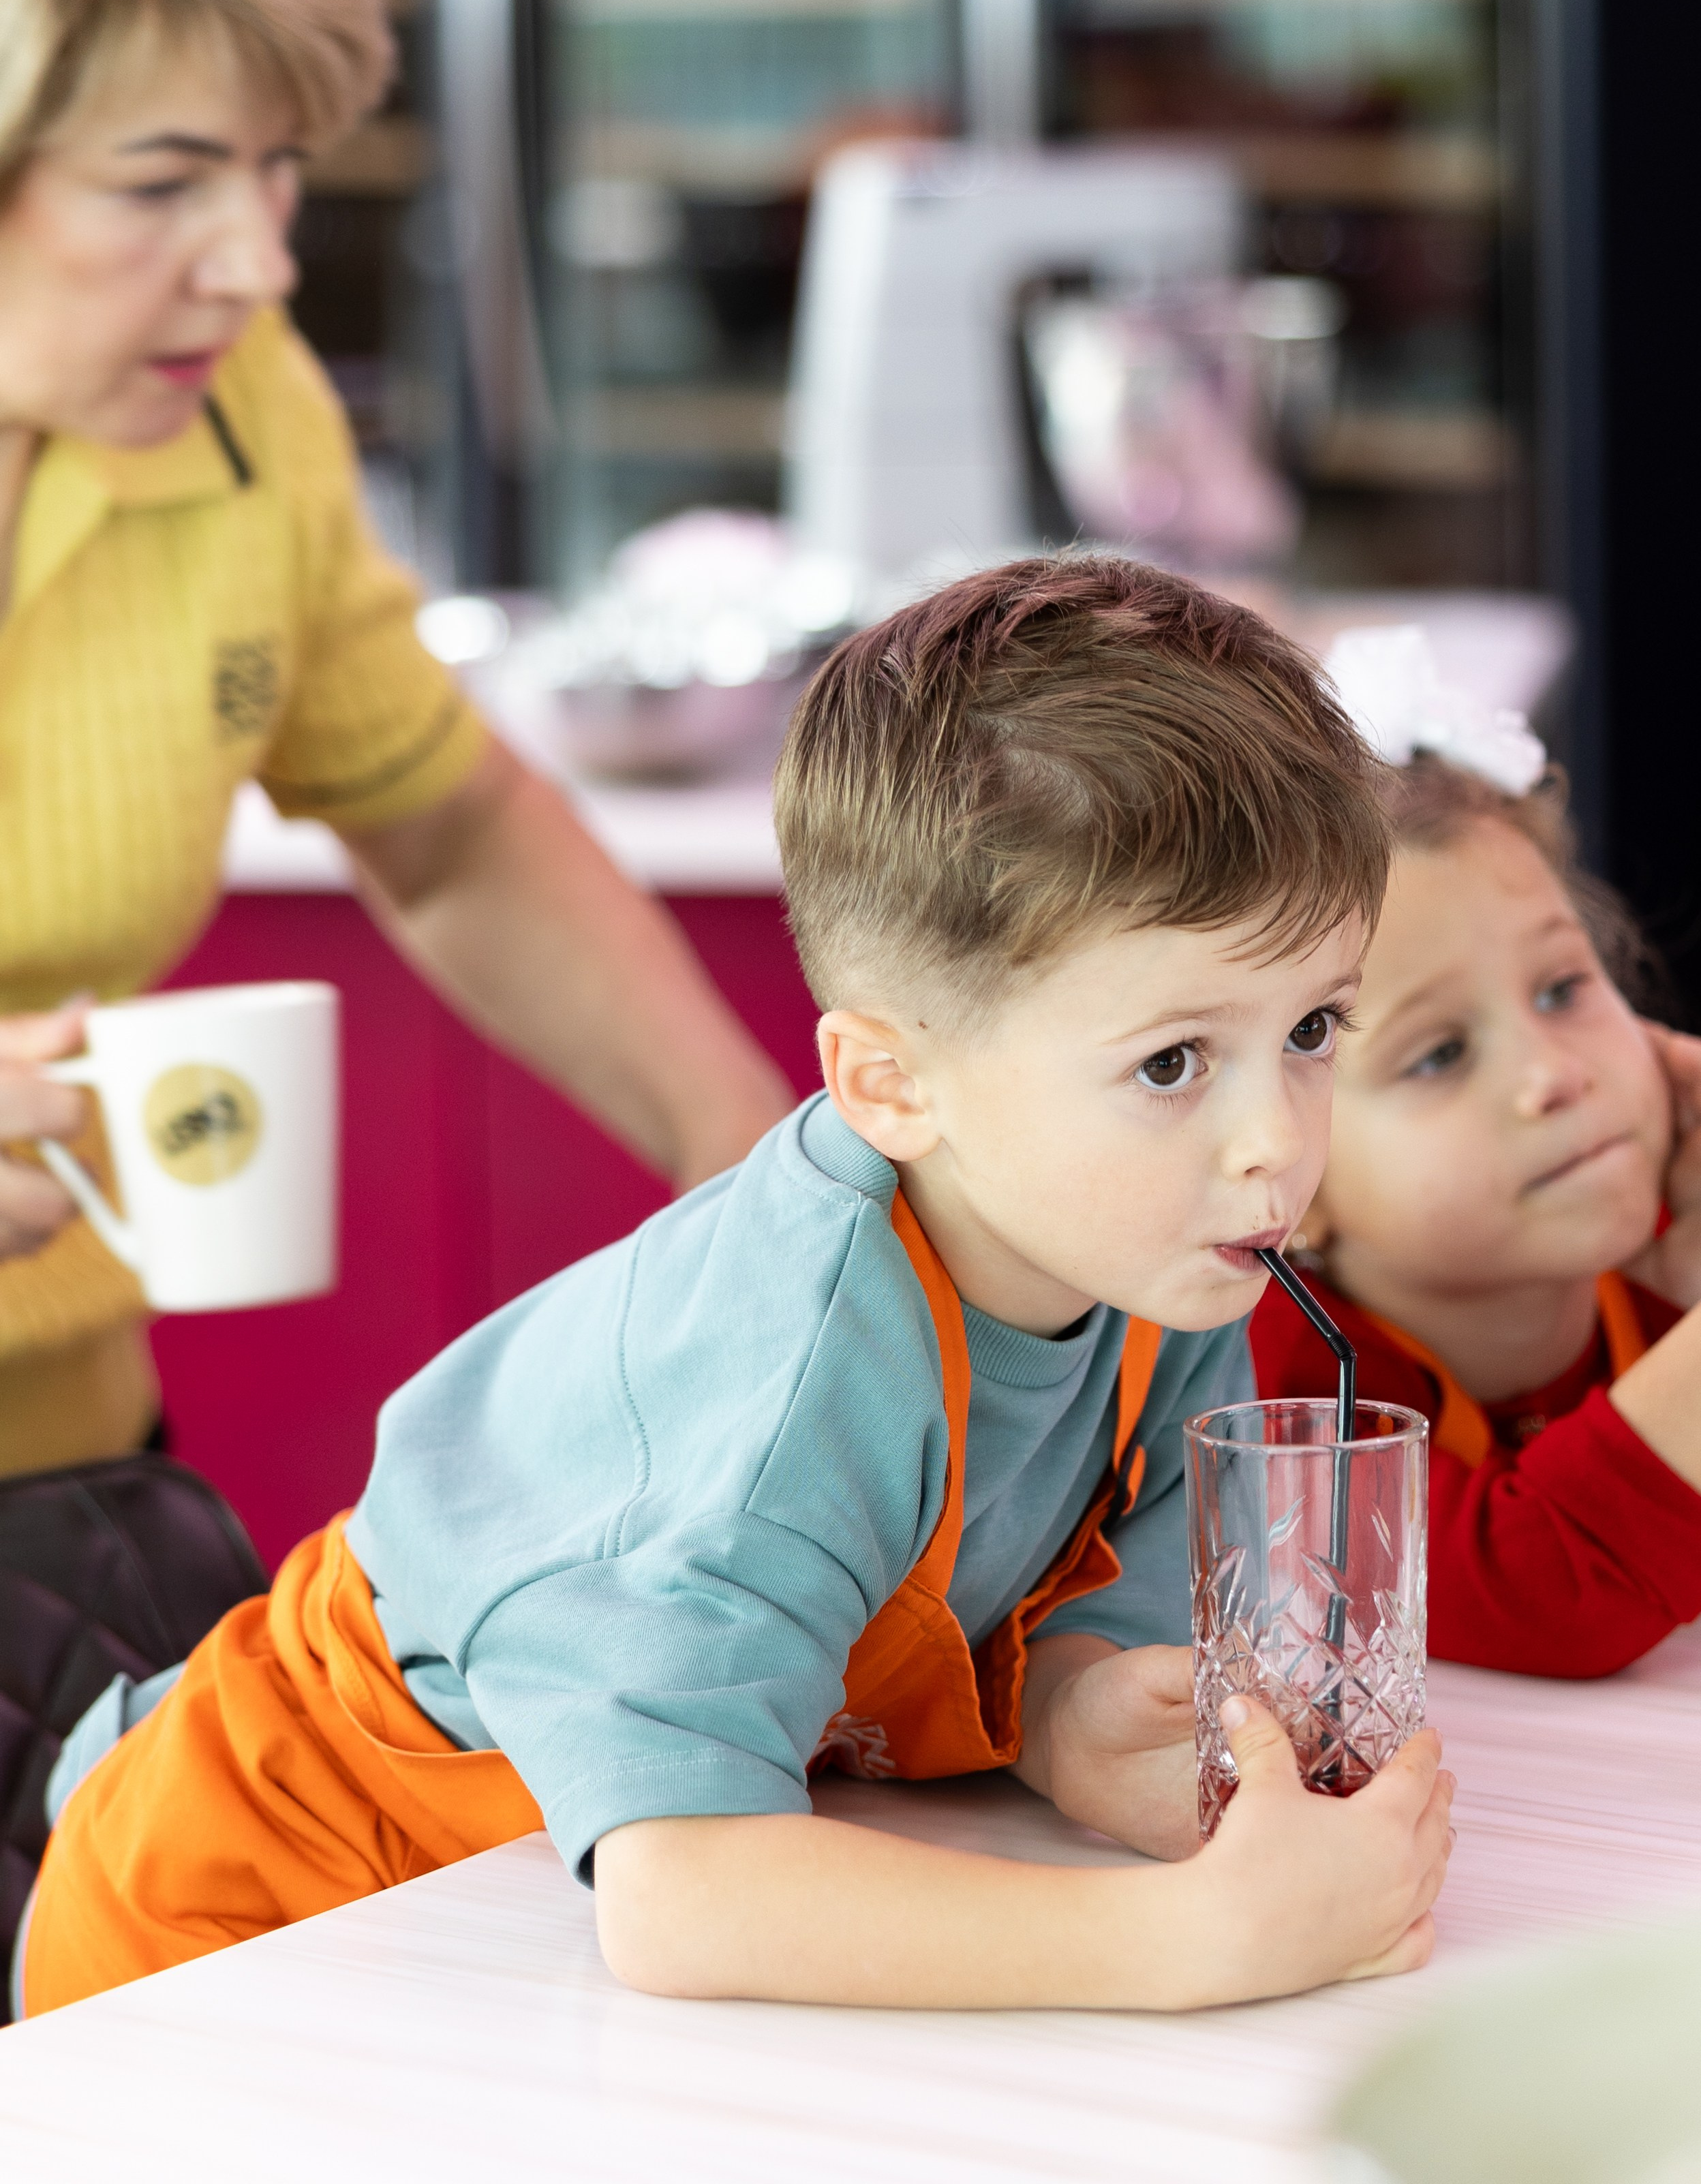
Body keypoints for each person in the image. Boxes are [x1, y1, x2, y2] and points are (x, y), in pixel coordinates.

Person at [19, 557, 1454, 2018]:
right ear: (890, 1084)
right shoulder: (800, 1375)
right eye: (1172, 1063)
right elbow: (685, 1894)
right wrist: (1196, 1942)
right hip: (247, 1923)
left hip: (508, 1934)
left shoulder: (1163, 1251)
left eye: (1315, 1026)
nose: (1277, 1139)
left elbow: (1073, 1581)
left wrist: (1078, 1710)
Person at [0, 0, 791, 1478]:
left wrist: (757, 1166)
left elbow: (445, 822)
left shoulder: (234, 416)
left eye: (280, 171)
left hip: (67, 1463)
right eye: (164, 181)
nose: (254, 265)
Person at [1250, 635, 1701, 1676]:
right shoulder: (1273, 1376)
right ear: (1277, 1172)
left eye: (1563, 990)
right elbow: (1538, 1590)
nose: (1553, 1075)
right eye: (1440, 1053)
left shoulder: (1670, 1254)